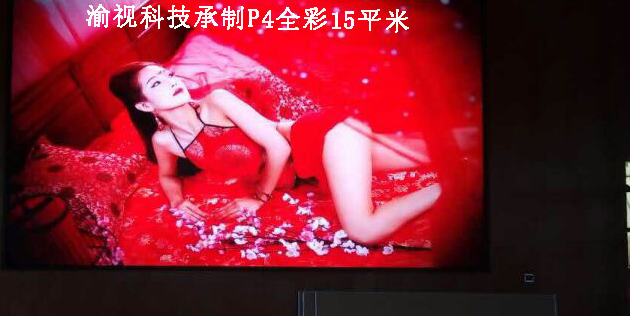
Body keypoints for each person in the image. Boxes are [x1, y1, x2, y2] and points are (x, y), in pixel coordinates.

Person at [108, 62, 443, 245]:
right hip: (314, 168)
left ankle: (453, 187)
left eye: (167, 74)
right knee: (434, 151)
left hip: (320, 138)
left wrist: (259, 197)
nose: (171, 81)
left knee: (364, 231)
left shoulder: (217, 101)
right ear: (144, 105)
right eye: (157, 84)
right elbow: (167, 175)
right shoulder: (165, 141)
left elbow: (279, 146)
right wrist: (177, 201)